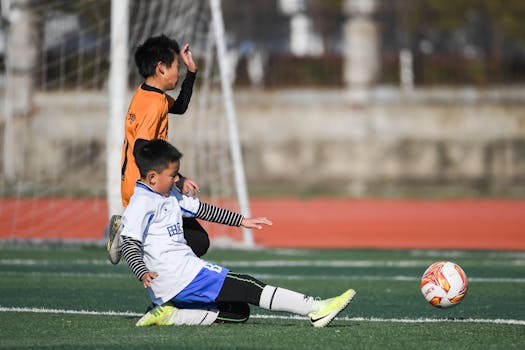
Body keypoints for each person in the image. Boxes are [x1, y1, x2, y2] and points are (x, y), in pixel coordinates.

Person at [120, 138, 356, 327]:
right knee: (247, 284)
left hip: (174, 282)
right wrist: (142, 271)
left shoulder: (168, 195)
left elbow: (203, 209)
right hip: (182, 275)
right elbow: (129, 243)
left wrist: (242, 221)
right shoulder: (142, 202)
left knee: (238, 312)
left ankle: (171, 315)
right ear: (152, 177)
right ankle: (315, 309)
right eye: (173, 176)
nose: (176, 181)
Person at [106, 34, 209, 265]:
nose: (177, 73)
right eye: (176, 67)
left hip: (149, 182)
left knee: (195, 241)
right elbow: (141, 149)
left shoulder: (150, 93)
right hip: (146, 188)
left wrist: (192, 73)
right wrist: (177, 179)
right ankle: (127, 231)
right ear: (161, 68)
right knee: (195, 242)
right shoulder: (152, 105)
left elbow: (180, 107)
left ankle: (127, 228)